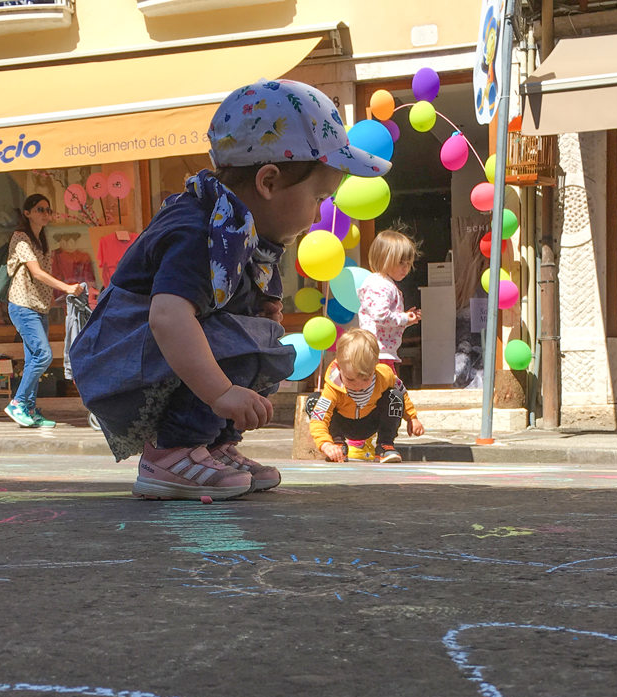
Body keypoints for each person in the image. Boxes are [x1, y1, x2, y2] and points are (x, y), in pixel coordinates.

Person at [67, 79, 391, 500]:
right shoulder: (200, 229)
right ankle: (172, 452)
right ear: (268, 182)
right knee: (243, 344)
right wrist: (221, 392)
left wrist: (263, 313)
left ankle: (211, 448)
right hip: (121, 357)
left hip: (150, 351)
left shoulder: (236, 226)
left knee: (263, 343)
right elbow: (168, 317)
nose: (317, 215)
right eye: (318, 197)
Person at [4, 194, 81, 429]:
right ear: (27, 213)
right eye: (40, 209)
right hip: (23, 305)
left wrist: (57, 299)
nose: (46, 214)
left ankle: (28, 408)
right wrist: (66, 287)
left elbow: (40, 280)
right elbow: (37, 273)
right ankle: (17, 403)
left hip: (39, 307)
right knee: (43, 355)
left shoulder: (42, 239)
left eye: (49, 210)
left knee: (32, 360)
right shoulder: (21, 238)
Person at [307, 329, 424, 464]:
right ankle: (338, 445)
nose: (358, 385)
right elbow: (319, 418)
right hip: (343, 424)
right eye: (350, 380)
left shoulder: (384, 375)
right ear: (339, 368)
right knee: (314, 401)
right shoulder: (333, 386)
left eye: (365, 379)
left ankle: (385, 446)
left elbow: (402, 391)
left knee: (395, 396)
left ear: (375, 367)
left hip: (371, 422)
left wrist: (412, 417)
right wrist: (326, 444)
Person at [358, 229, 421, 364]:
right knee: (386, 384)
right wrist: (403, 318)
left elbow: (384, 324)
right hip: (379, 353)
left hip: (377, 351)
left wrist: (406, 321)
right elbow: (380, 315)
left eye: (408, 263)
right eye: (400, 263)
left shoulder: (378, 282)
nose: (405, 268)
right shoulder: (383, 286)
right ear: (383, 259)